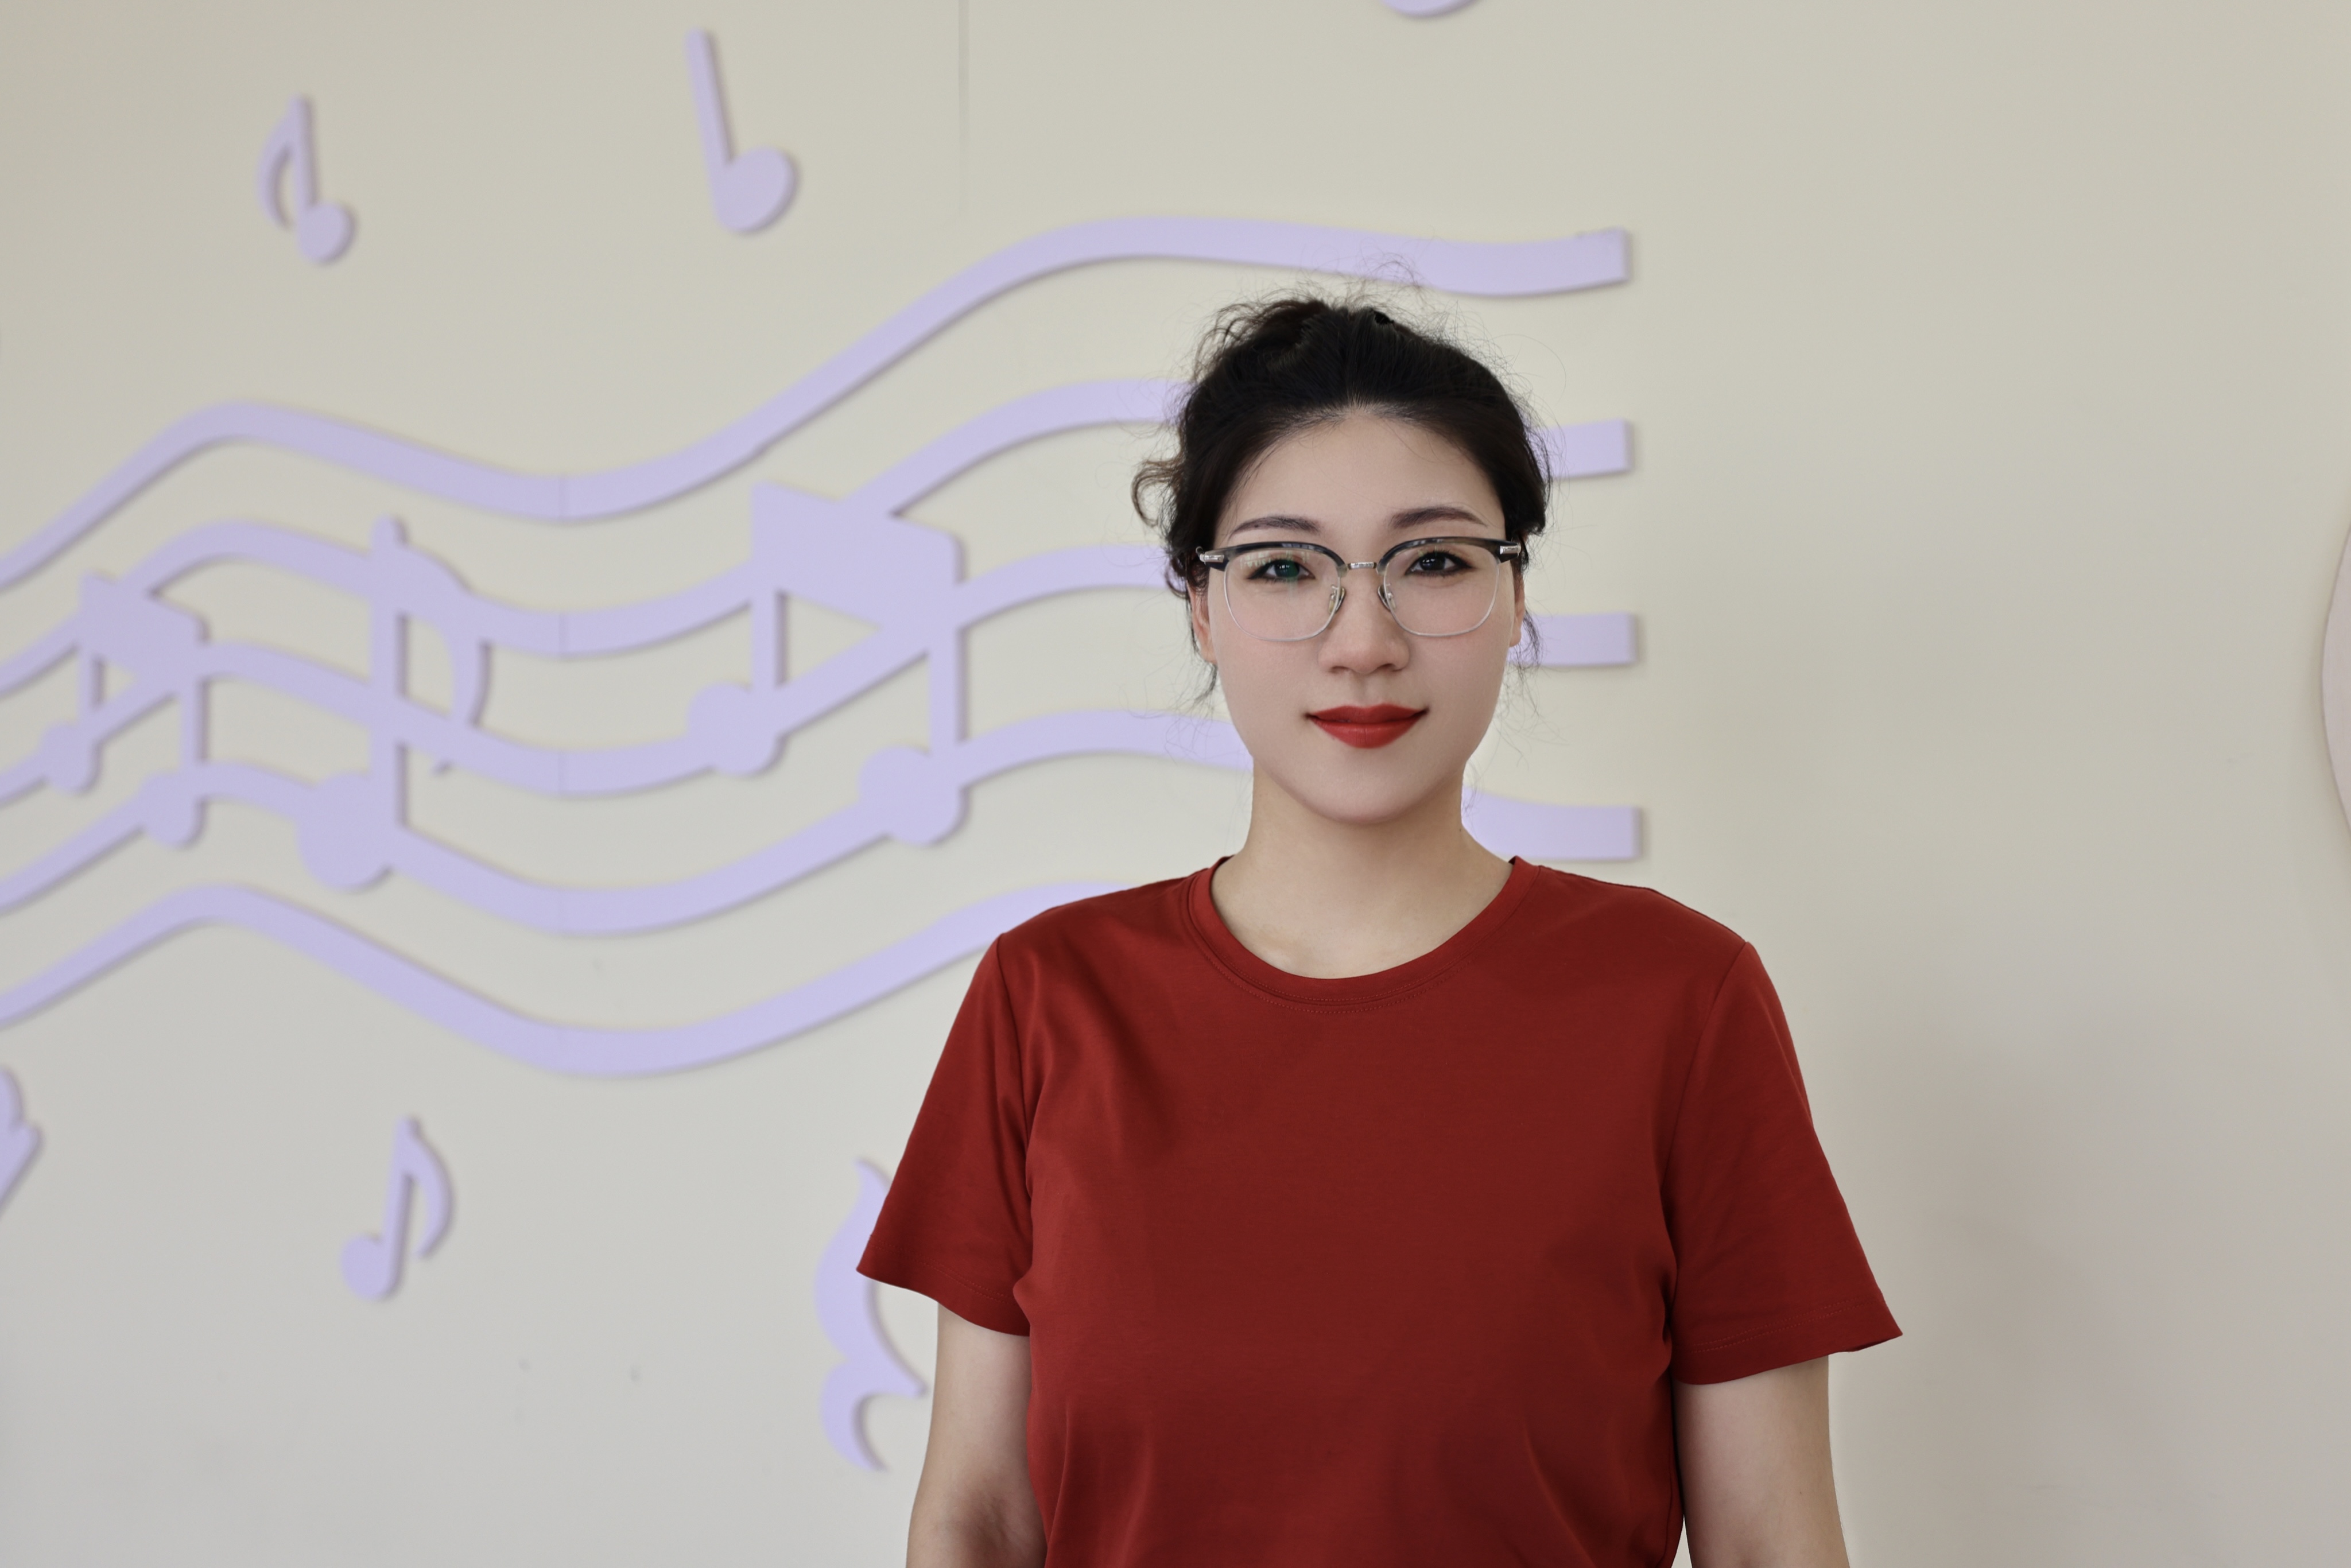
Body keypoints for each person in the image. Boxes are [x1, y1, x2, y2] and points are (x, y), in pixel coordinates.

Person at [858, 297, 1898, 1567]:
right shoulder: (1050, 996)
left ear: (1514, 597)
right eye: (1284, 568)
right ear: (1201, 609)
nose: (1364, 642)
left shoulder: (1680, 999)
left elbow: (1771, 1541)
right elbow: (978, 1518)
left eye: (1435, 562)